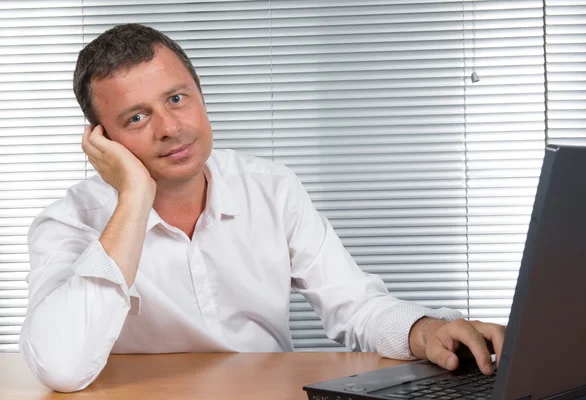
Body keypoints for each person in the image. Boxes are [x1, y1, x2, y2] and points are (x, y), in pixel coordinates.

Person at [19, 24, 505, 393]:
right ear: (102, 141)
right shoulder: (67, 223)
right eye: (137, 117)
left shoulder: (272, 189)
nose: (169, 128)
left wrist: (425, 330)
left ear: (202, 97)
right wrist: (133, 199)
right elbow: (61, 365)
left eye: (177, 98)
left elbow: (354, 306)